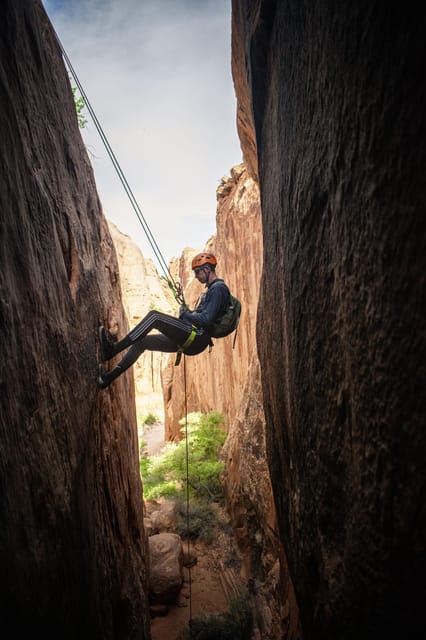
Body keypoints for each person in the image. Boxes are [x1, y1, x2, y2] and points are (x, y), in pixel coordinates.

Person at [97, 252, 230, 389]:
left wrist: (187, 314)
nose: (196, 276)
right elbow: (204, 317)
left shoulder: (218, 289)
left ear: (207, 269)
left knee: (154, 317)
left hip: (196, 336)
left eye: (197, 272)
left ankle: (112, 350)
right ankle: (107, 378)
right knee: (142, 342)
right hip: (194, 337)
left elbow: (206, 319)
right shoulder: (211, 290)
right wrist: (188, 313)